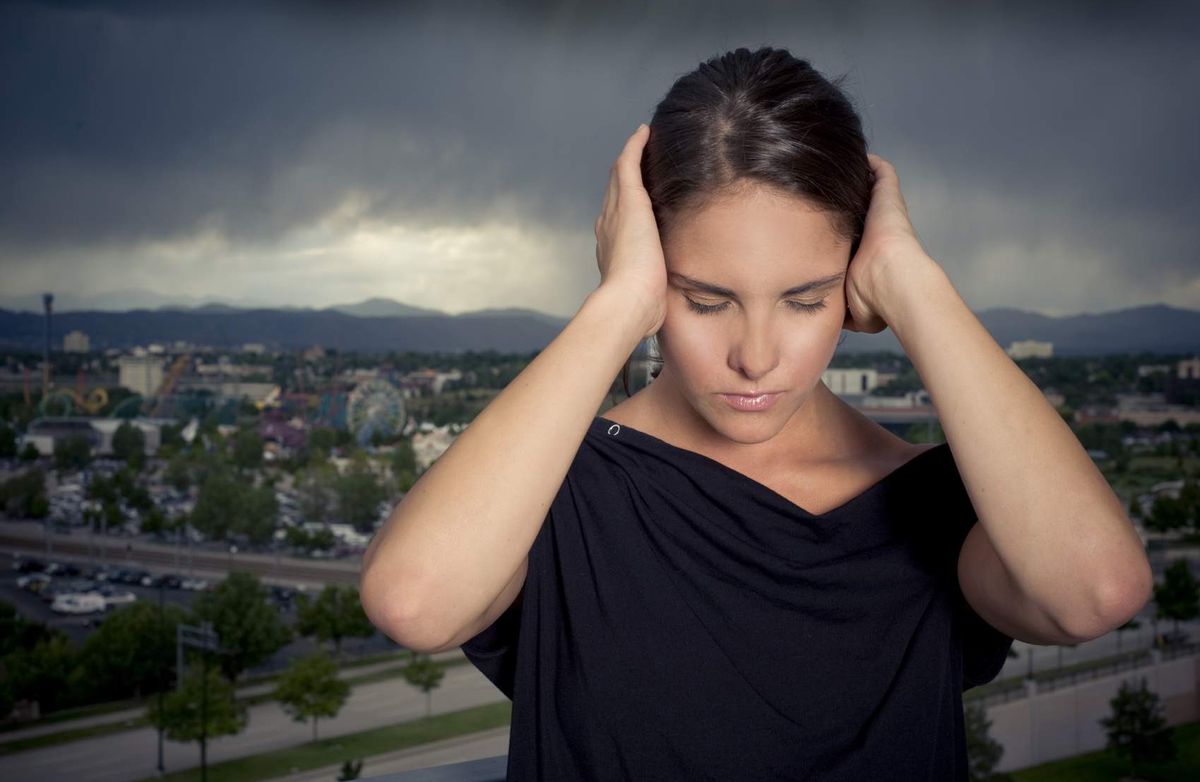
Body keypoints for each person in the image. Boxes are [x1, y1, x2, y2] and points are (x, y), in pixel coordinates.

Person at [360, 47, 1153, 780]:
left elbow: (1095, 593)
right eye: (705, 300)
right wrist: (618, 305)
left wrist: (915, 283)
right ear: (649, 266)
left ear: (853, 281)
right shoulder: (549, 492)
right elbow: (414, 602)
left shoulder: (937, 505)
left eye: (806, 300)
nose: (756, 355)